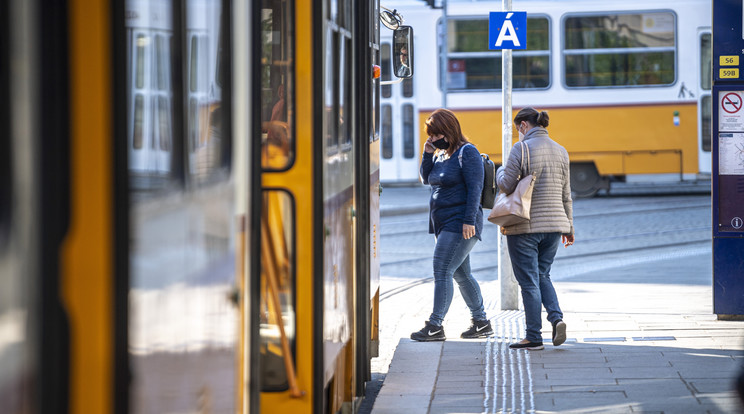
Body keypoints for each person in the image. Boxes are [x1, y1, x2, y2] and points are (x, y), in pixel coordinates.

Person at [411, 108, 493, 342]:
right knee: (462, 275)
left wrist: (469, 221)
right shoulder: (440, 154)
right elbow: (426, 179)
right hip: (442, 222)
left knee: (441, 269)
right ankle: (481, 323)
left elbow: (475, 188)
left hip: (460, 222)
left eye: (437, 135)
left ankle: (435, 325)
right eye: (431, 135)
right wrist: (427, 154)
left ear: (449, 131)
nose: (434, 139)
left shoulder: (468, 152)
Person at [496, 107, 575, 350]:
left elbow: (506, 185)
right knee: (543, 275)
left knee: (529, 282)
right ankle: (556, 317)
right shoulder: (561, 151)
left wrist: (499, 171)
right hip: (554, 226)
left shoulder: (522, 148)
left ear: (522, 126)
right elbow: (566, 194)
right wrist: (569, 227)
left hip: (525, 227)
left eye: (518, 128)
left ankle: (533, 336)